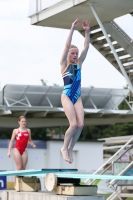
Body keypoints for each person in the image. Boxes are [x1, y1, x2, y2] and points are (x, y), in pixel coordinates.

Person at [60, 18, 90, 164]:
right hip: (66, 96)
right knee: (73, 124)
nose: (75, 55)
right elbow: (66, 46)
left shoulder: (79, 64)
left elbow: (87, 46)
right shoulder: (64, 64)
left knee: (80, 125)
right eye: (72, 53)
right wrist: (72, 29)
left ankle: (71, 148)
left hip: (77, 96)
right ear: (68, 55)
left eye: (76, 53)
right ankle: (64, 148)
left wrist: (87, 32)